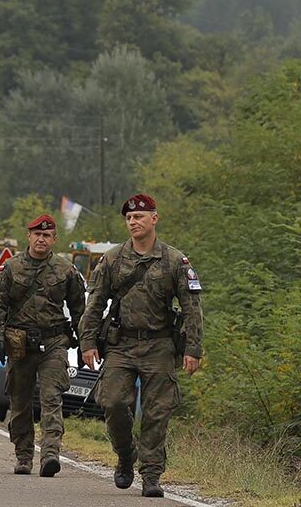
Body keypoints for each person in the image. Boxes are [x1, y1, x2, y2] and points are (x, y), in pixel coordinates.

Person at [78, 194, 203, 498]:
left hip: (160, 345)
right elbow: (94, 303)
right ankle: (125, 455)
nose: (133, 222)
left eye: (139, 217)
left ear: (154, 219)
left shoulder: (174, 260)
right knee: (113, 402)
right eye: (129, 218)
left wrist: (193, 348)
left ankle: (151, 474)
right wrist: (88, 342)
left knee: (157, 413)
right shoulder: (113, 259)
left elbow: (191, 307)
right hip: (121, 345)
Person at [0, 214, 86, 477]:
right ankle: (24, 456)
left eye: (47, 235)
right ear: (29, 236)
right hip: (19, 343)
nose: (41, 239)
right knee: (20, 401)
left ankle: (50, 453)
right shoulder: (12, 268)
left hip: (54, 341)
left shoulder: (66, 271)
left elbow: (79, 310)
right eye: (37, 234)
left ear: (54, 239)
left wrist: (86, 342)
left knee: (52, 397)